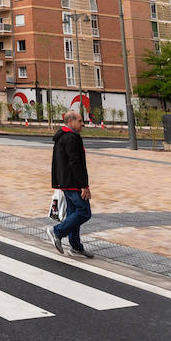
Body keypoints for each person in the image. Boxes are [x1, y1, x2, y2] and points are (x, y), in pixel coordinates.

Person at [45, 111, 94, 259]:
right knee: (84, 212)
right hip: (73, 183)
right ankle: (57, 232)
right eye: (80, 121)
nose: (82, 124)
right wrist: (84, 185)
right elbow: (75, 163)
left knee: (74, 214)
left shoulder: (62, 136)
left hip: (65, 182)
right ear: (71, 121)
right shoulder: (71, 138)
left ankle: (76, 247)